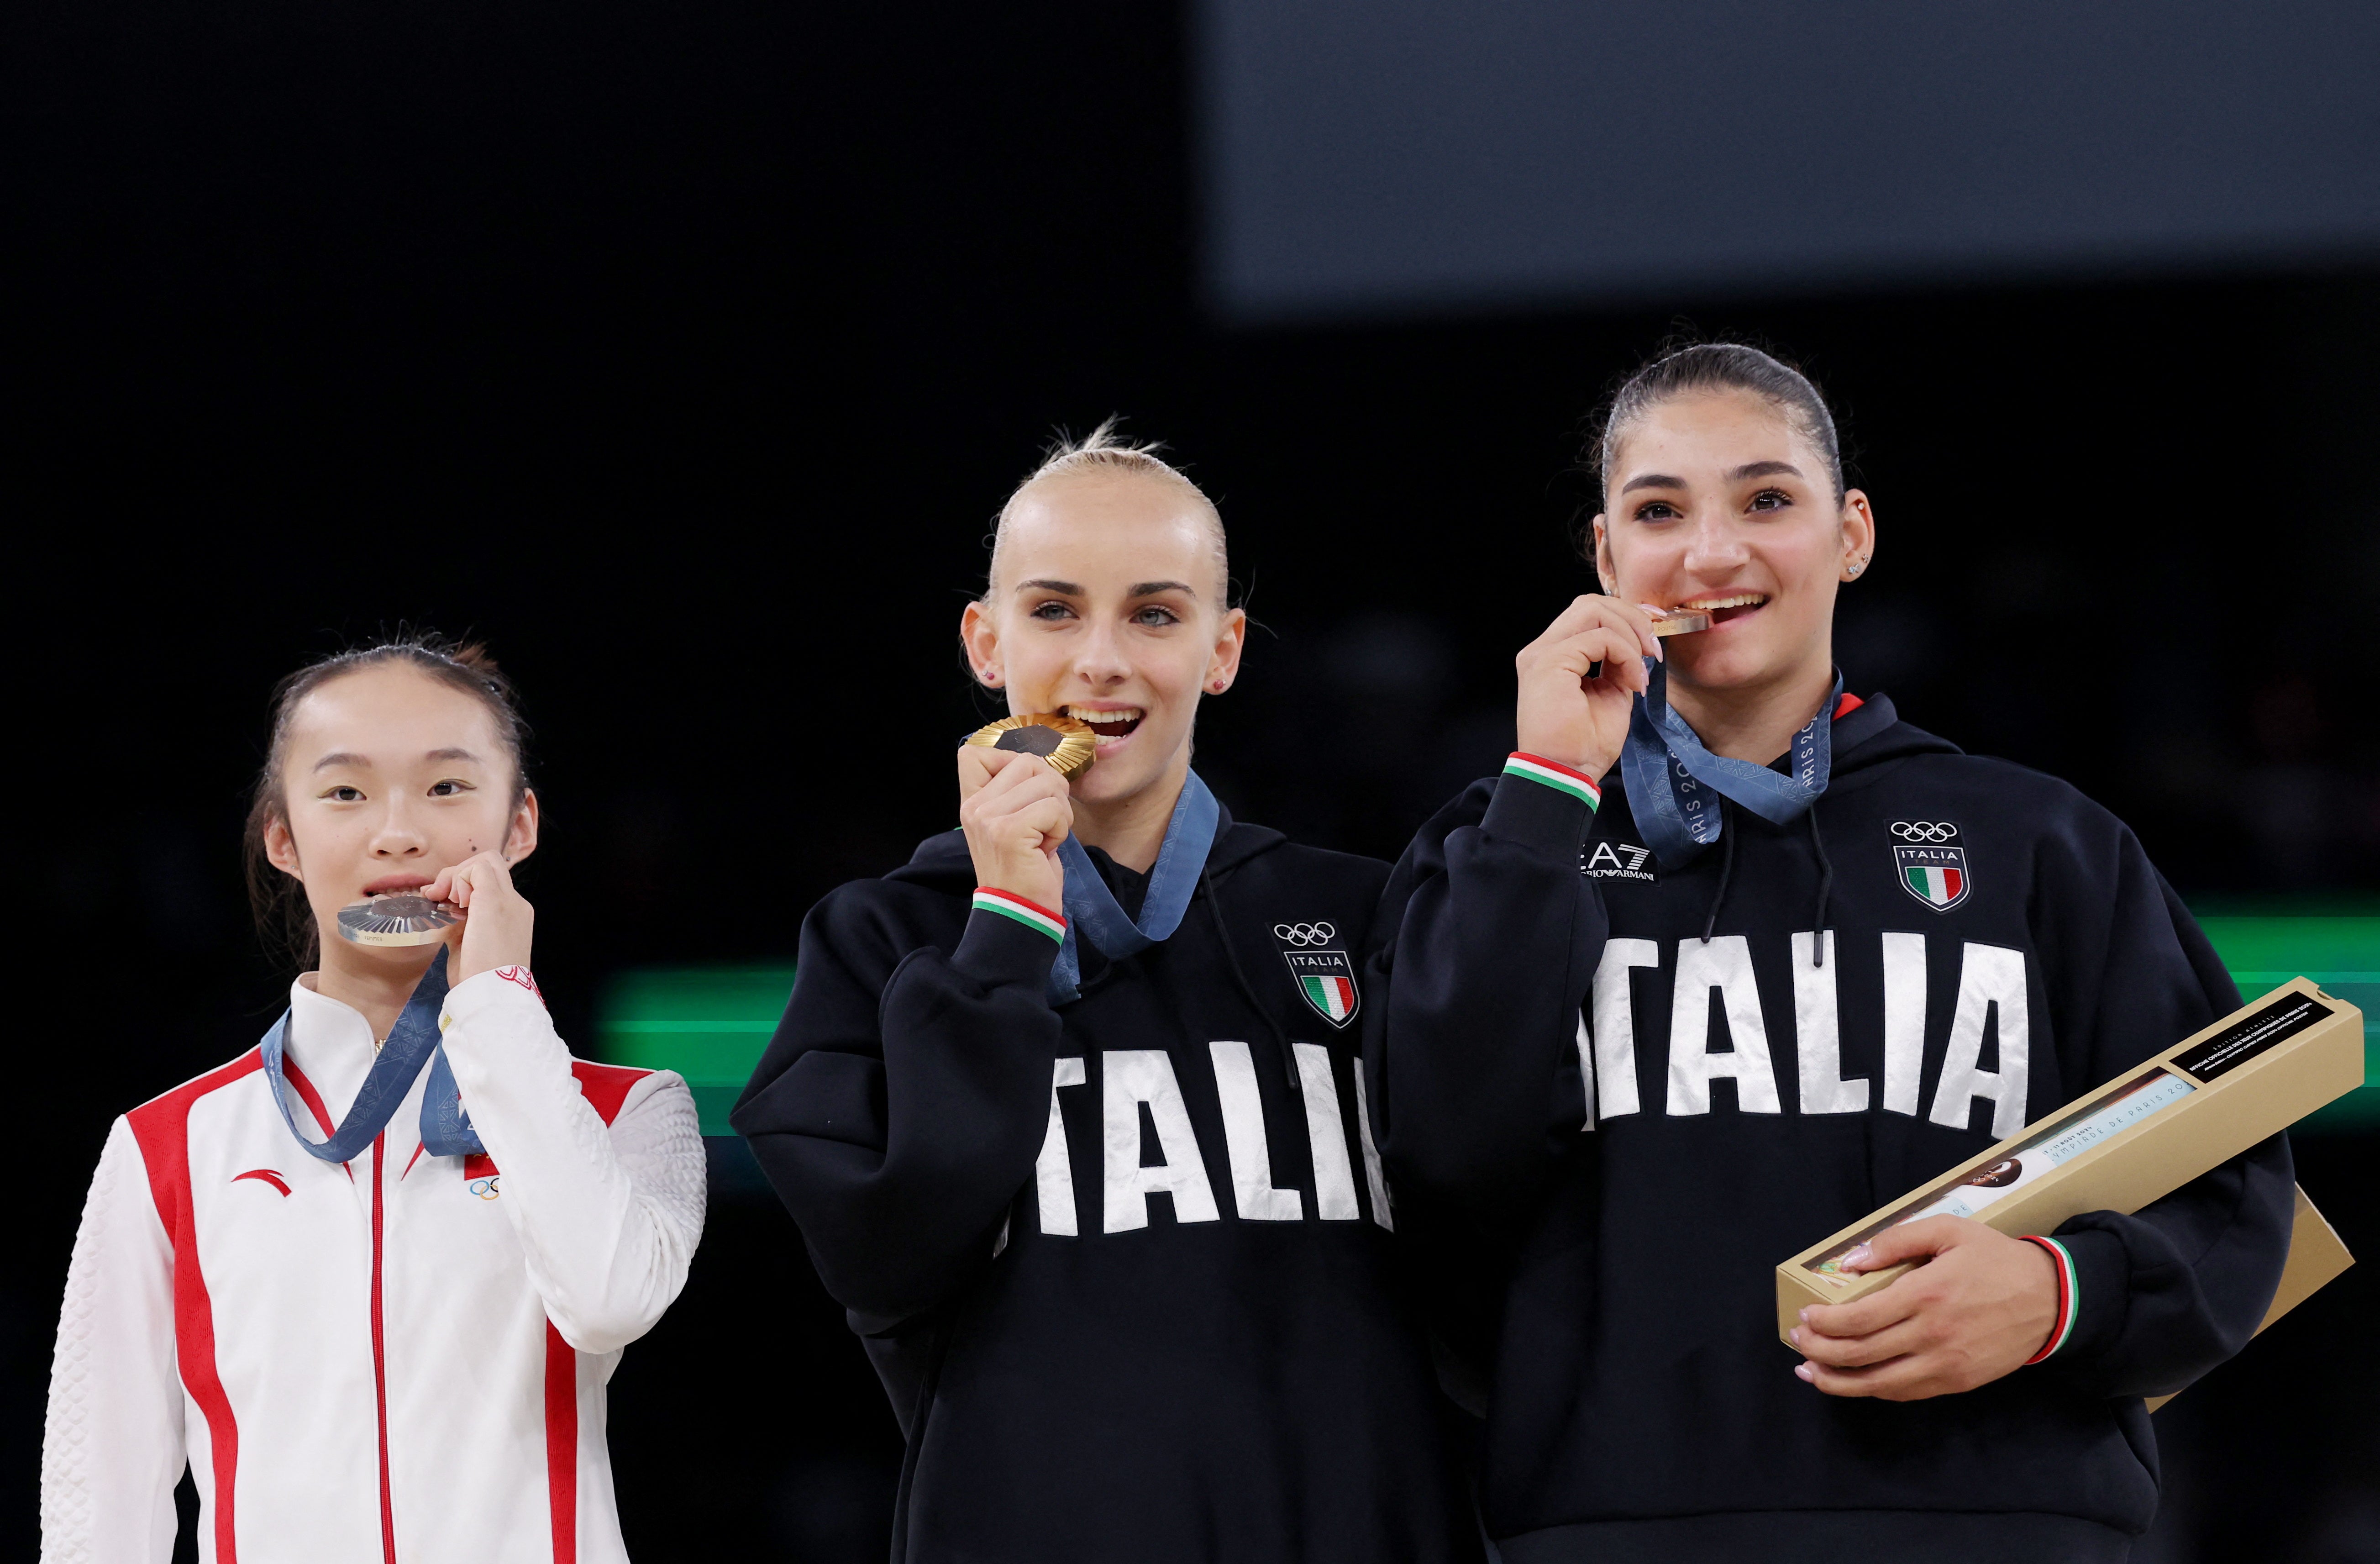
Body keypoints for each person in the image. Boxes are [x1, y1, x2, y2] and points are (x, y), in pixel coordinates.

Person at [1373, 345, 2293, 1563]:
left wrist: (2058, 1293)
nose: (1710, 554)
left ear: (1849, 533)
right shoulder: (1499, 847)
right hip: (1613, 1531)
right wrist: (1545, 787)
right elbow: (1432, 1161)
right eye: (1658, 511)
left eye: (1765, 500)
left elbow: (2228, 1180)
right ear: (1604, 558)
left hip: (2001, 1528)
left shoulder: (2042, 846)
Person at [734, 425, 1480, 1564]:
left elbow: (1502, 1244)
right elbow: (886, 1261)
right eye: (1053, 611)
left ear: (1224, 650)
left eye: (1156, 614)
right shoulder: (880, 940)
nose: (1102, 661)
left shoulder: (1369, 916)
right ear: (985, 643)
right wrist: (1009, 929)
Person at [42, 635, 706, 1564]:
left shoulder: (628, 1112)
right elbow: (99, 1504)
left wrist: (497, 1004)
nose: (398, 832)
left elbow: (606, 1302)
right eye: (346, 793)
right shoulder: (169, 1147)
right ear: (283, 837)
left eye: (446, 788)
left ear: (520, 827)